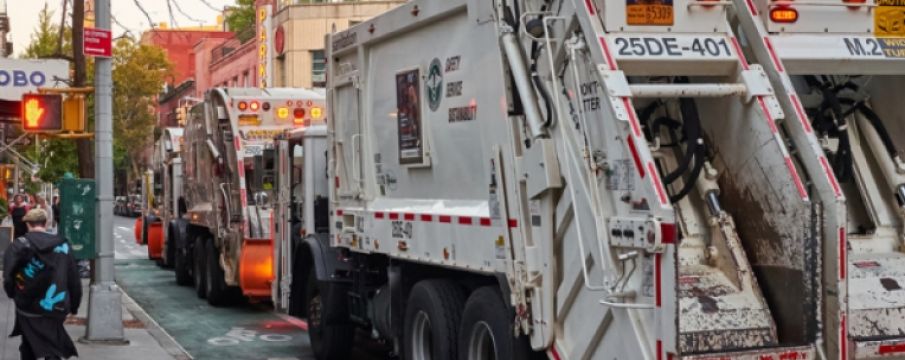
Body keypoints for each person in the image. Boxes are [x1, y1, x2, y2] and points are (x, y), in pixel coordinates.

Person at [3, 209, 81, 360]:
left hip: (27, 305)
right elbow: (73, 279)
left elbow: (8, 276)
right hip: (55, 304)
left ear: (27, 224)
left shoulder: (18, 245)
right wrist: (74, 306)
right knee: (53, 342)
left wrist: (13, 293)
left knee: (28, 342)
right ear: (46, 223)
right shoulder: (63, 246)